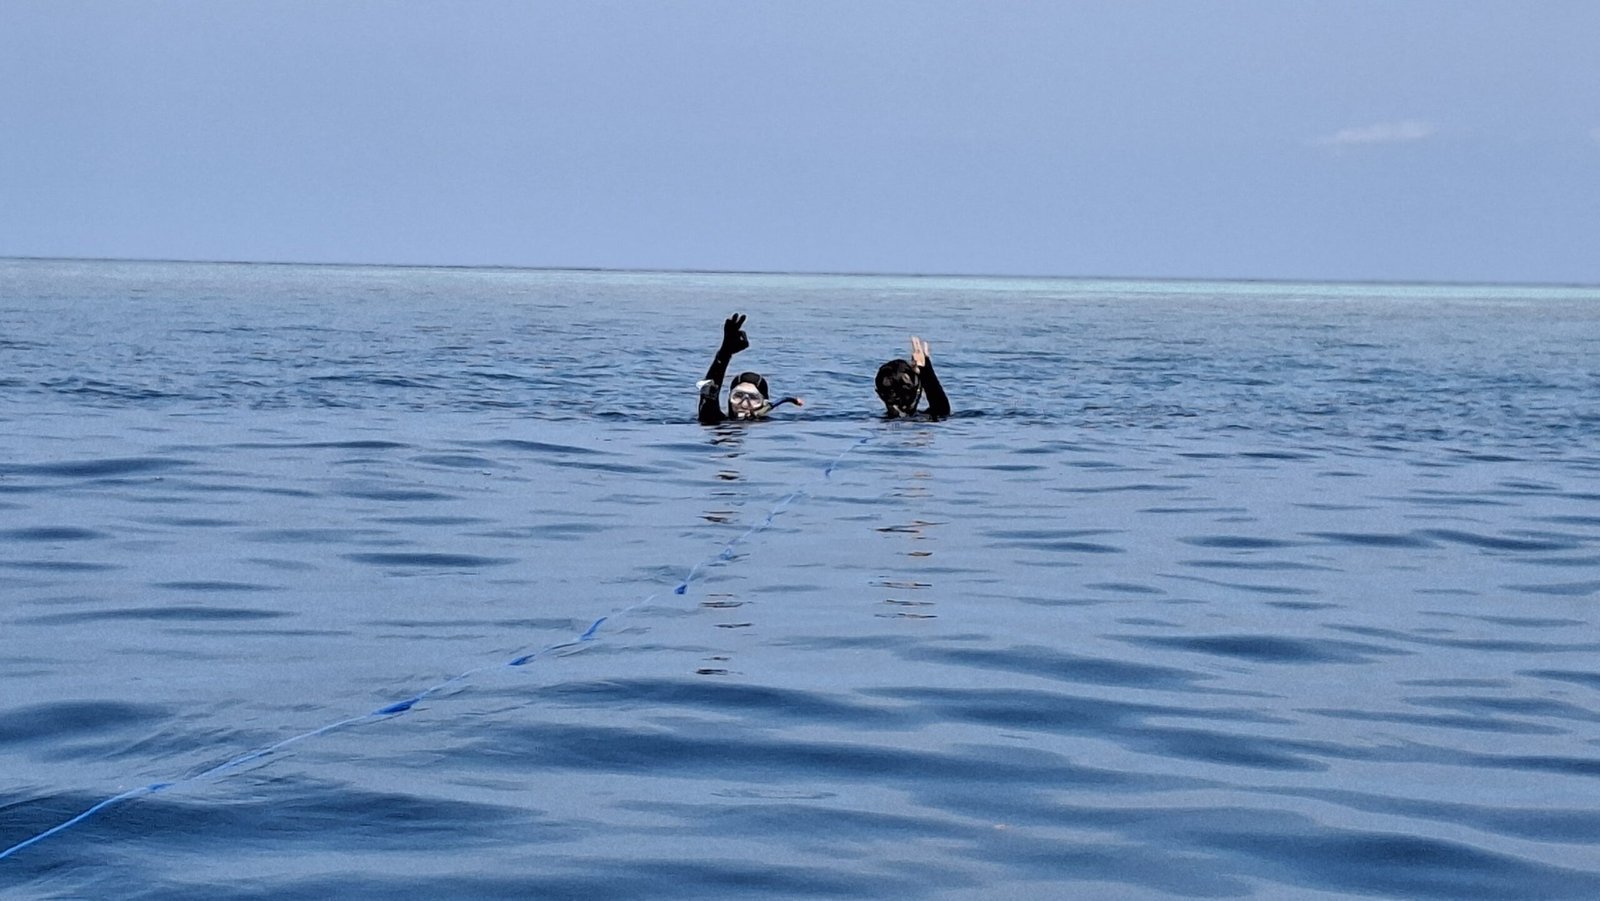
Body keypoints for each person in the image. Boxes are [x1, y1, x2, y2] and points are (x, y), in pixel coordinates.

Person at [697, 313, 802, 424]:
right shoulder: (716, 421)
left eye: (753, 398)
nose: (744, 404)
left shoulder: (775, 427)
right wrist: (725, 352)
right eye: (737, 396)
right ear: (729, 399)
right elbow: (708, 397)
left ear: (764, 403)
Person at [875, 335, 950, 419]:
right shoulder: (921, 420)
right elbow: (942, 410)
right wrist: (926, 370)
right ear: (918, 390)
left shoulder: (873, 421)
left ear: (879, 393)